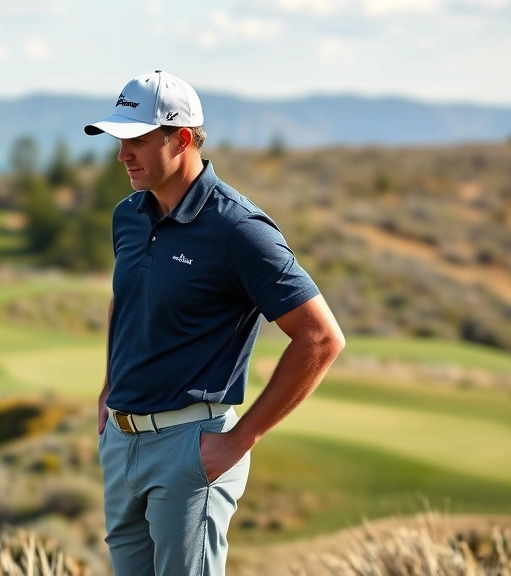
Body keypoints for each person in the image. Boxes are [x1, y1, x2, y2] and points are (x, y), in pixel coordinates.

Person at [85, 70, 346, 576]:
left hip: (190, 447)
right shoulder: (128, 215)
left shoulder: (238, 229)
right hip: (122, 440)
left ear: (182, 138)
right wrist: (108, 389)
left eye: (136, 140)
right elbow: (128, 298)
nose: (122, 155)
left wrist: (240, 439)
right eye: (119, 140)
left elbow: (320, 338)